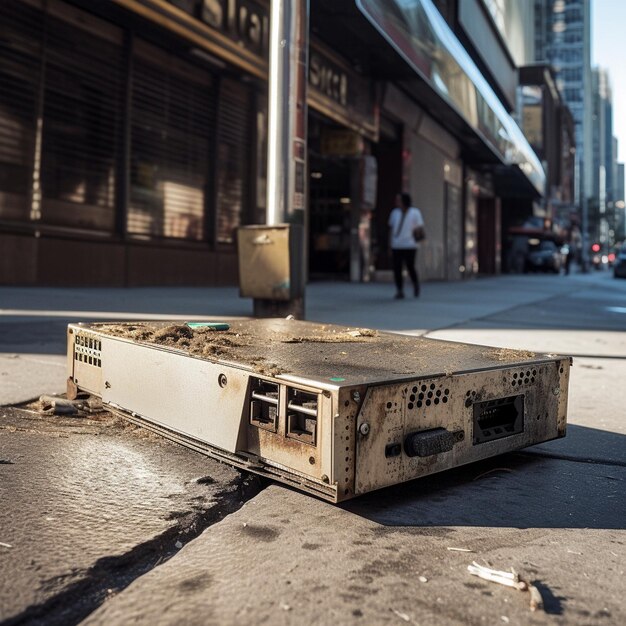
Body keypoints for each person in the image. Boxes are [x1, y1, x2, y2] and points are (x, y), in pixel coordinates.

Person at [388, 192, 425, 299]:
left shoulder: (415, 212)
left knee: (410, 266)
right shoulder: (394, 213)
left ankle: (415, 284)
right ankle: (399, 290)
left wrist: (419, 239)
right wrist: (390, 245)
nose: (397, 202)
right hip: (396, 245)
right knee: (397, 268)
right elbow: (391, 229)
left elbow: (419, 228)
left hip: (410, 245)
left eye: (399, 200)